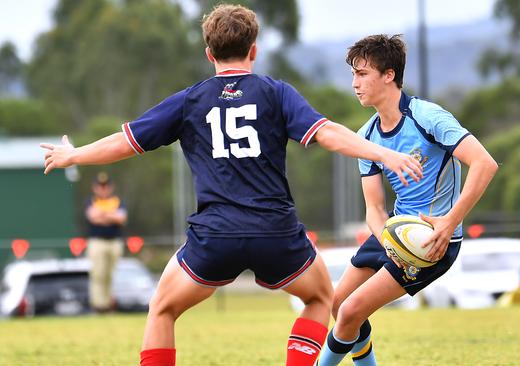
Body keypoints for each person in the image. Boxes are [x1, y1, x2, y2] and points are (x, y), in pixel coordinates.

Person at [40, 5, 423, 366]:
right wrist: (384, 154)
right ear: (253, 49)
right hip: (276, 233)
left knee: (163, 308)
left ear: (210, 53)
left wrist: (74, 155)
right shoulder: (276, 93)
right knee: (321, 297)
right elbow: (328, 133)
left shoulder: (189, 100)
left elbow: (127, 141)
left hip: (215, 235)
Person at [318, 34, 498, 366]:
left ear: (389, 75)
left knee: (351, 312)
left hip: (431, 242)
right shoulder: (367, 138)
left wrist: (449, 222)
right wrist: (386, 239)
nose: (355, 84)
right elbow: (374, 208)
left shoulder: (429, 119)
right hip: (395, 232)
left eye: (362, 74)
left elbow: (485, 164)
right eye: (353, 75)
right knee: (338, 303)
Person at [85, 172, 127, 313]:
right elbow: (92, 217)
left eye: (106, 186)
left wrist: (102, 214)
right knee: (98, 274)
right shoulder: (91, 201)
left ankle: (108, 305)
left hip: (114, 242)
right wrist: (111, 215)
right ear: (95, 187)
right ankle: (98, 306)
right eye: (100, 186)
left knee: (110, 274)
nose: (103, 189)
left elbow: (121, 219)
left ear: (111, 187)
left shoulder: (117, 201)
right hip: (98, 242)